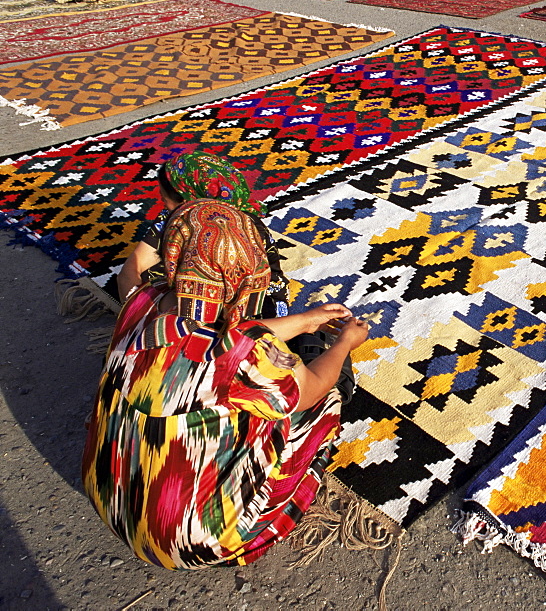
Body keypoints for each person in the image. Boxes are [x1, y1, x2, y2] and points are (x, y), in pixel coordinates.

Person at [81, 199, 369, 569]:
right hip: (185, 542)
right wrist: (345, 343)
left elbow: (216, 330)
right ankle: (243, 530)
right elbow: (309, 386)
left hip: (106, 494)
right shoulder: (241, 355)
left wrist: (305, 320)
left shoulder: (141, 303)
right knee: (324, 400)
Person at [117, 151, 289, 320]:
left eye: (164, 199)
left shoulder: (236, 229)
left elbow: (222, 299)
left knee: (160, 280)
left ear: (185, 199)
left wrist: (137, 320)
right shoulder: (178, 216)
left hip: (248, 312)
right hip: (235, 311)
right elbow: (132, 270)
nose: (166, 206)